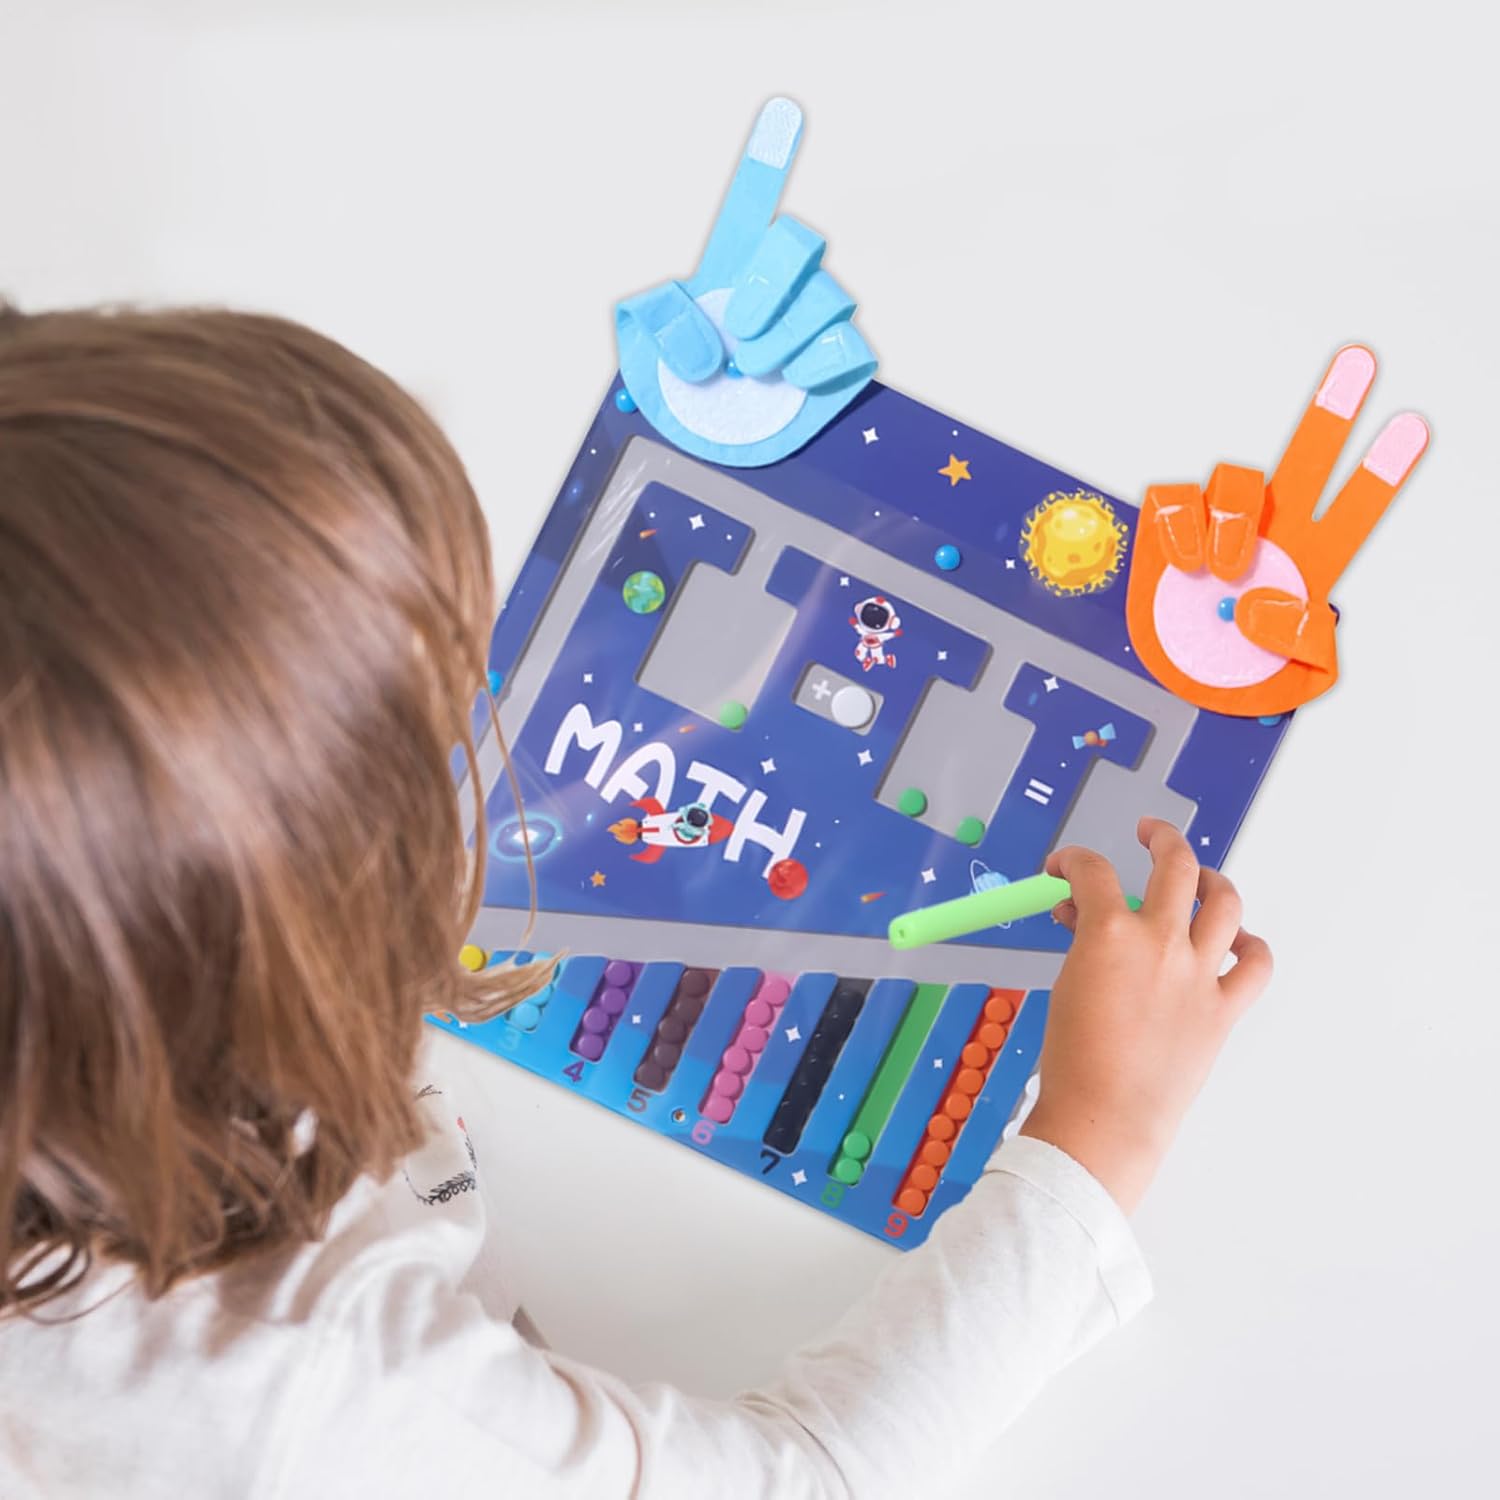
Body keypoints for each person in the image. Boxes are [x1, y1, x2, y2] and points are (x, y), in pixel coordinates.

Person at [0, 304, 1272, 1499]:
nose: (485, 718)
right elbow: (810, 1480)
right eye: (407, 742)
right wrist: (1101, 1134)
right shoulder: (296, 1385)